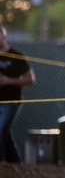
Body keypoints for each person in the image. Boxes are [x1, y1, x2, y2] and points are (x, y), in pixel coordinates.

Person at [0, 25, 36, 163]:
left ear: (4, 36)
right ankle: (16, 167)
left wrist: (9, 80)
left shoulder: (17, 55)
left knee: (1, 132)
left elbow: (31, 79)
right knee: (5, 135)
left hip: (10, 102)